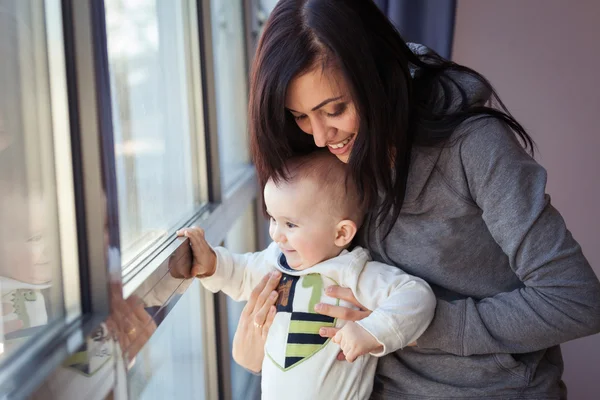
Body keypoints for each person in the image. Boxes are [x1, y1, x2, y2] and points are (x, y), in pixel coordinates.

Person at [226, 1, 600, 399]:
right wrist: (256, 347)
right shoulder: (324, 158)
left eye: (334, 109)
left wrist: (411, 324)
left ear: (377, 80)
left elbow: (574, 300)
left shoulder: (473, 148)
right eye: (299, 116)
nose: (320, 137)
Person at [178, 150, 436, 399]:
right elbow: (239, 272)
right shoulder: (274, 261)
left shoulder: (353, 272)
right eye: (273, 219)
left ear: (341, 234)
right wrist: (211, 263)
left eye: (290, 224)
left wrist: (372, 331)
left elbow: (416, 296)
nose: (276, 234)